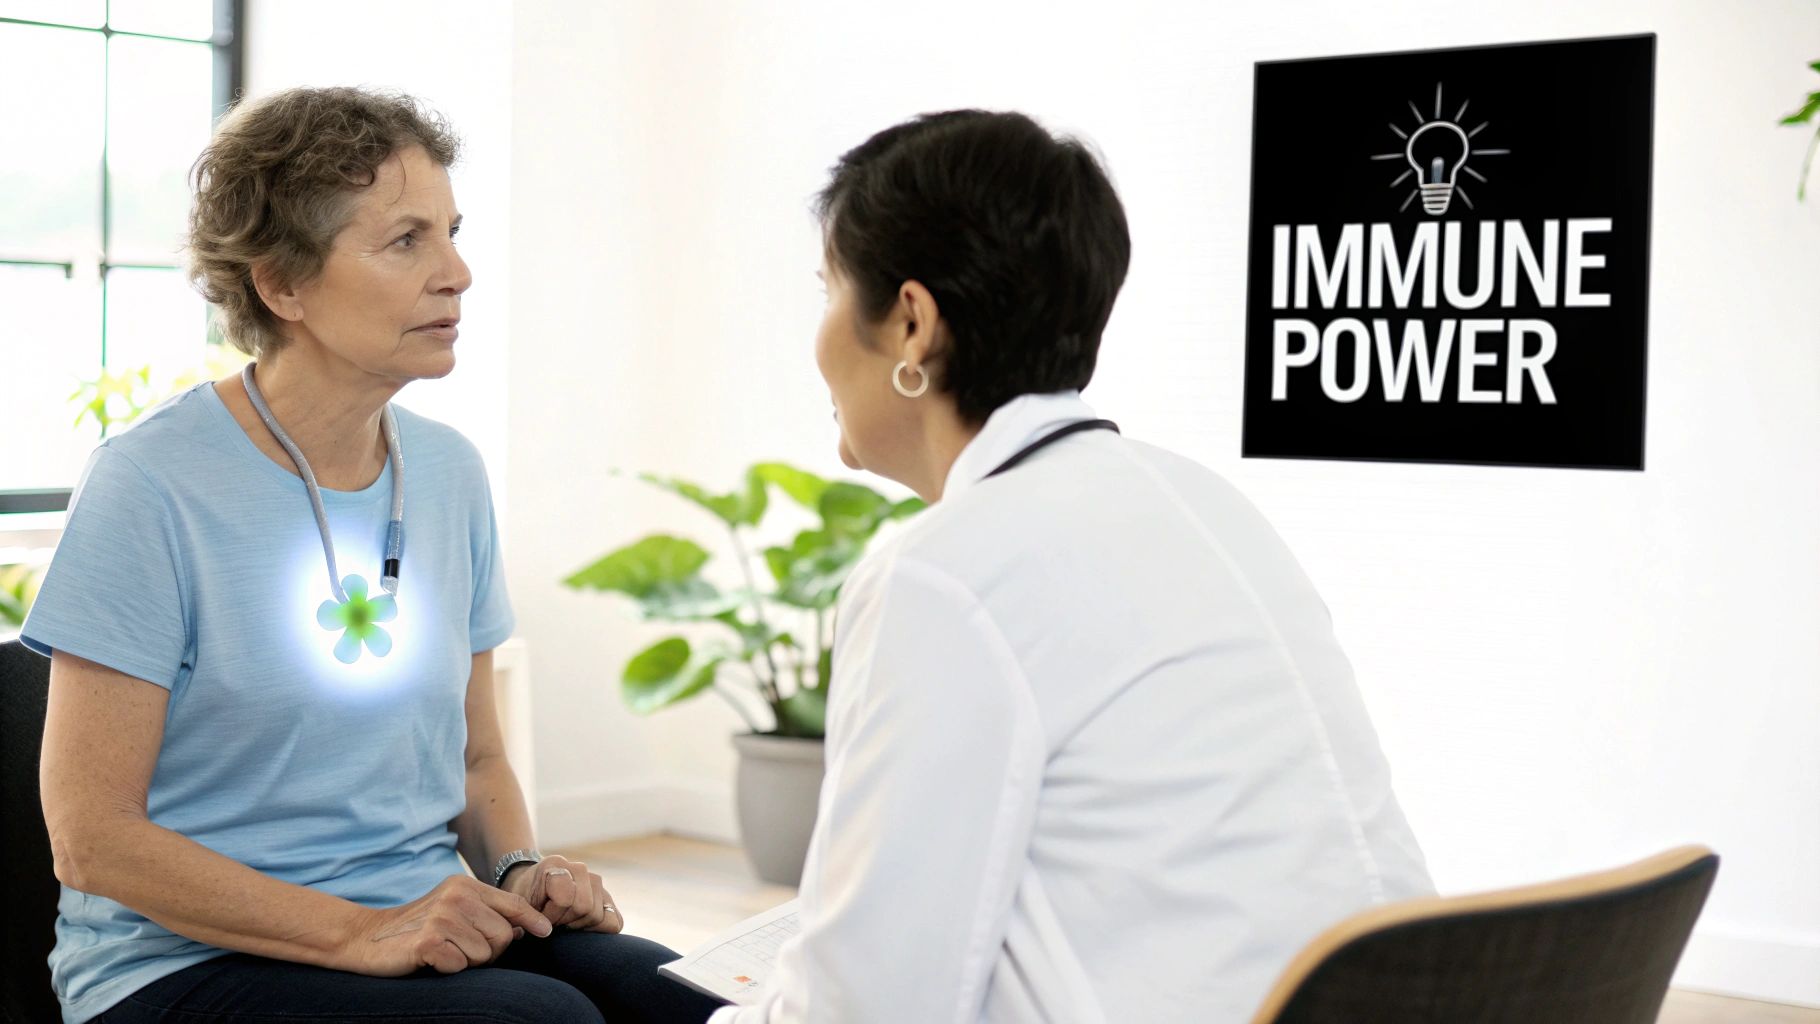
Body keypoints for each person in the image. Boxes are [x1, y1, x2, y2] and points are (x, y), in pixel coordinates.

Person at [713, 110, 1435, 1023]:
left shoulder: (943, 576)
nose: (815, 339)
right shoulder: (1204, 502)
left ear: (909, 325)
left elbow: (868, 1004)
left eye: (826, 291)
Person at [23, 86, 721, 1024]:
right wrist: (357, 933)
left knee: (696, 1002)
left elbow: (476, 760)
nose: (459, 272)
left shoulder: (447, 473)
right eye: (406, 240)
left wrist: (522, 869)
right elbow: (93, 842)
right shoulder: (149, 483)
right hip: (180, 964)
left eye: (453, 230)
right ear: (282, 284)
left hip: (423, 919)